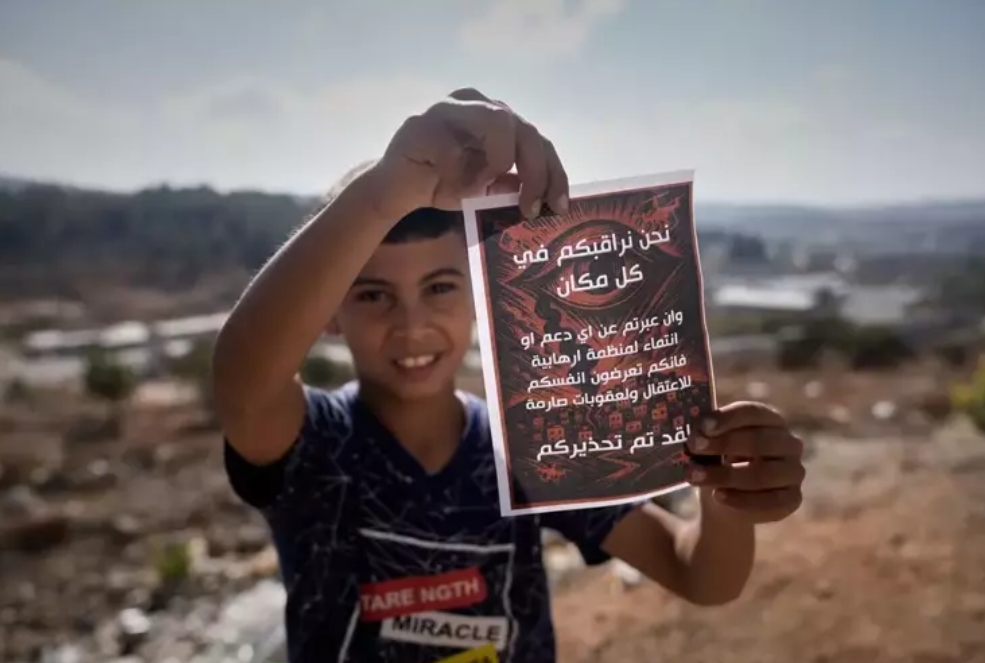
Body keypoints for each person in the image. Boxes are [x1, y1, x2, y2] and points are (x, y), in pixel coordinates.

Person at [212, 87, 807, 663]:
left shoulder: (527, 446)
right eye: (373, 295)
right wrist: (380, 196)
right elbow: (243, 384)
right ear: (329, 312)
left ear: (482, 292)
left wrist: (726, 497)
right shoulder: (317, 444)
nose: (412, 326)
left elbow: (697, 573)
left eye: (440, 288)